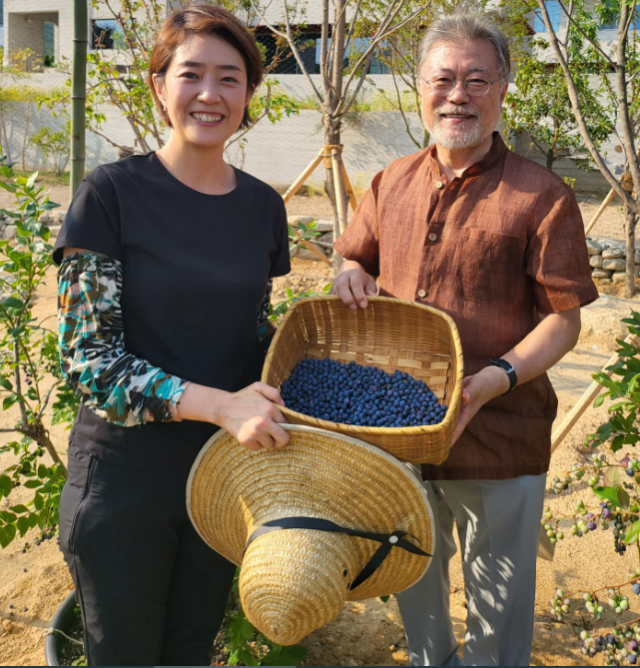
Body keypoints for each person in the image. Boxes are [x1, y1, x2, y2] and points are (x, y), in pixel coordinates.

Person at [331, 11, 598, 667]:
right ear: (419, 86)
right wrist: (351, 274)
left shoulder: (542, 196)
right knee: (413, 570)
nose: (458, 95)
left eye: (477, 79)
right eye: (443, 78)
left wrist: (494, 379)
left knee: (500, 600)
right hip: (397, 425)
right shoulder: (389, 181)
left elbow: (563, 320)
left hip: (498, 429)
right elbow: (354, 257)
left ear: (503, 86)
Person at [54, 5, 291, 665]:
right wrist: (221, 404)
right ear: (159, 86)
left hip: (220, 479)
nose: (211, 94)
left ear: (249, 95)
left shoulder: (262, 207)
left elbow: (247, 330)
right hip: (125, 480)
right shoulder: (109, 196)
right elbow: (88, 361)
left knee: (191, 650)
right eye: (192, 75)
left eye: (231, 78)